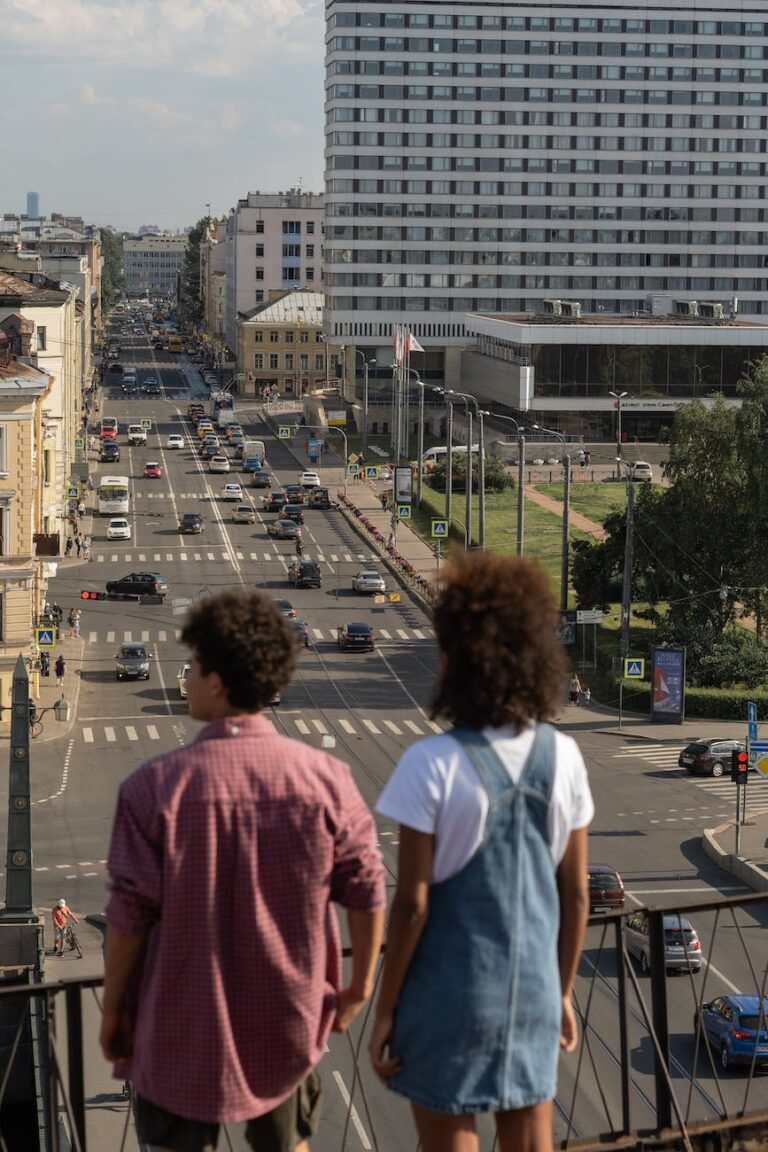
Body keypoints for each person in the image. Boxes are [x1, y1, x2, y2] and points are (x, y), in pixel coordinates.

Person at [100, 589, 385, 1152]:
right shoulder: (326, 779)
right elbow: (368, 888)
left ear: (219, 682)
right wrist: (358, 988)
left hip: (179, 1017)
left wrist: (115, 1007)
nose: (186, 680)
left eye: (195, 667)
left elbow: (128, 916)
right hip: (289, 1016)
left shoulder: (152, 788)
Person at [369, 552, 592, 1152]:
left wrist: (385, 1008)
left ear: (452, 662)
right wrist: (562, 991)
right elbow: (575, 897)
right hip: (533, 995)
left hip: (448, 1001)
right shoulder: (563, 756)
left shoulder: (430, 764)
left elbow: (412, 908)